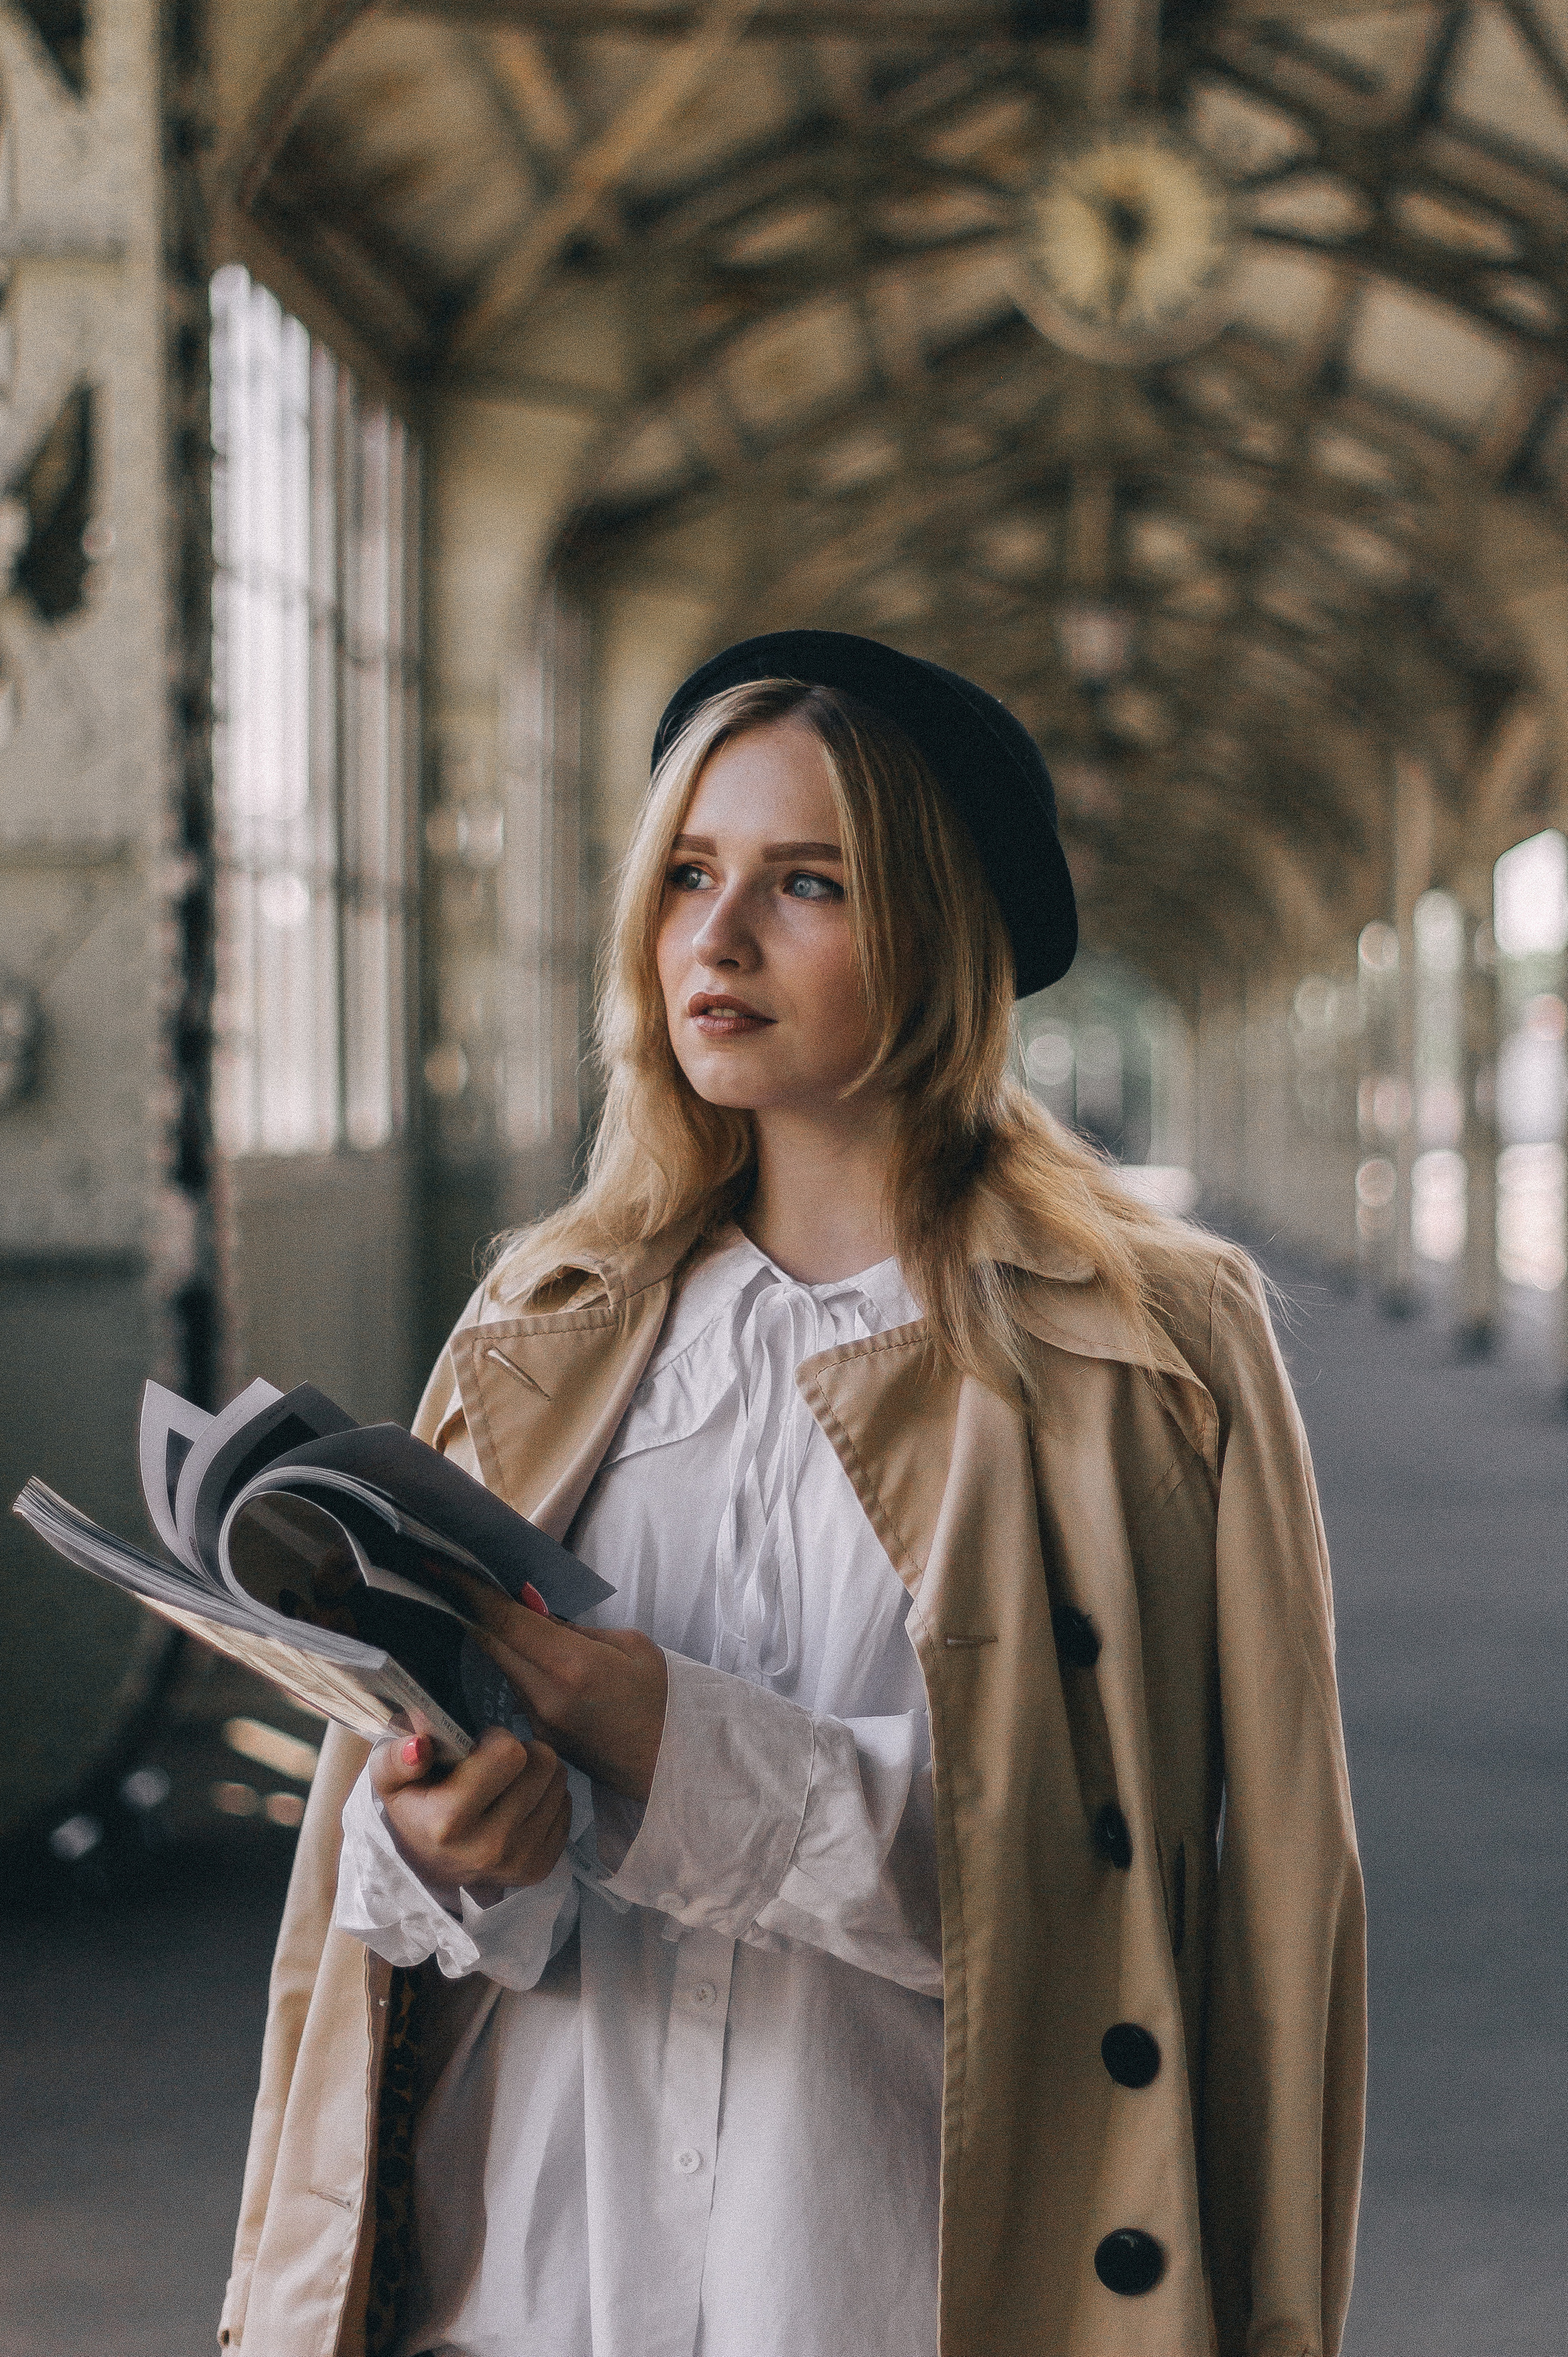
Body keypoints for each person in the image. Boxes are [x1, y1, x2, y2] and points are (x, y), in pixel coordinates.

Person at [219, 630, 1365, 2357]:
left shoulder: (1149, 1354)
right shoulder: (541, 1322)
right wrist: (460, 1851)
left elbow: (1190, 1907)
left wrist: (672, 1743)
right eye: (689, 874)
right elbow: (380, 1920)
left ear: (938, 932)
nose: (719, 938)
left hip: (891, 2280)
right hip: (527, 2274)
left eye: (807, 883)